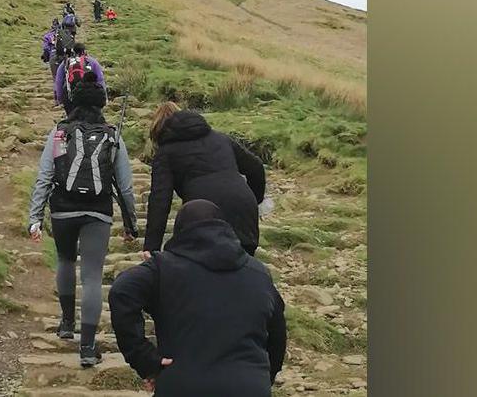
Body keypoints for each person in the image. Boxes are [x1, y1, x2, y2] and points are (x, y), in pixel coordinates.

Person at [109, 199, 286, 396]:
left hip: (183, 384)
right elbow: (277, 335)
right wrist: (262, 376)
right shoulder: (258, 273)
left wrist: (144, 358)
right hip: (249, 386)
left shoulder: (162, 268)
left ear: (180, 233)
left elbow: (121, 291)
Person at [28, 79, 139, 368]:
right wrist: (131, 224)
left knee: (65, 261)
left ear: (71, 103)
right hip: (97, 213)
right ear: (101, 104)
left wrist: (35, 218)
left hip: (63, 210)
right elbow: (125, 187)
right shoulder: (112, 135)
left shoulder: (59, 132)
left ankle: (66, 324)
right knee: (91, 276)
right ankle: (88, 348)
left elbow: (44, 177)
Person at [143, 103, 266, 256]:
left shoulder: (166, 153)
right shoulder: (221, 139)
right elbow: (256, 168)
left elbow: (160, 199)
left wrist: (151, 246)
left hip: (202, 212)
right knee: (242, 268)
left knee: (200, 270)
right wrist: (255, 199)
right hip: (243, 209)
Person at [54, 43, 106, 111]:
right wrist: (104, 98)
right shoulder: (92, 62)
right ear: (84, 51)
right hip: (90, 97)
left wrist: (60, 99)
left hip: (71, 98)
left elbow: (59, 81)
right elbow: (100, 80)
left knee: (72, 118)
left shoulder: (66, 62)